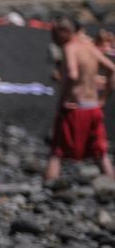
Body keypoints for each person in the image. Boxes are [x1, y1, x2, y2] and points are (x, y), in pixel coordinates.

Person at [44, 18, 115, 182]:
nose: (53, 38)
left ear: (66, 32)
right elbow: (112, 70)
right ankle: (111, 186)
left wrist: (64, 100)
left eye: (55, 33)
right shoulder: (90, 47)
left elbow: (72, 74)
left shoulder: (70, 48)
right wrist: (104, 98)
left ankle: (47, 187)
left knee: (57, 150)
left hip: (75, 107)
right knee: (100, 152)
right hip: (93, 106)